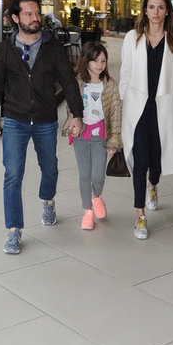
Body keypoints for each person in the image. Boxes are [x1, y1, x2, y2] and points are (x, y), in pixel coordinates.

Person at [0, 0, 83, 255]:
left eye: (37, 12)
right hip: (15, 119)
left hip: (45, 119)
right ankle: (13, 230)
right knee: (12, 174)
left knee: (50, 169)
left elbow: (68, 80)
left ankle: (47, 200)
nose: (35, 18)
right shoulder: (6, 48)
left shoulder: (52, 47)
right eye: (28, 14)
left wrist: (77, 113)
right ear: (16, 18)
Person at [119, 0, 173, 240]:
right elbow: (125, 73)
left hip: (163, 109)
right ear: (144, 10)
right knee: (140, 160)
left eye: (160, 7)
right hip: (138, 109)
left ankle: (153, 184)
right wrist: (122, 104)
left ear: (167, 11)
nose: (155, 12)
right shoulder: (133, 38)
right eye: (151, 7)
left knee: (156, 161)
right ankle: (140, 215)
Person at [64, 41, 122, 230]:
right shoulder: (77, 83)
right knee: (84, 175)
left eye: (103, 61)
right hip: (81, 136)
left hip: (100, 137)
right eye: (95, 60)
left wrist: (114, 140)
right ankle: (88, 211)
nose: (100, 65)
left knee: (97, 176)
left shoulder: (110, 85)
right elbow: (70, 109)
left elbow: (116, 113)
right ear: (86, 60)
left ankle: (97, 197)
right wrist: (72, 124)